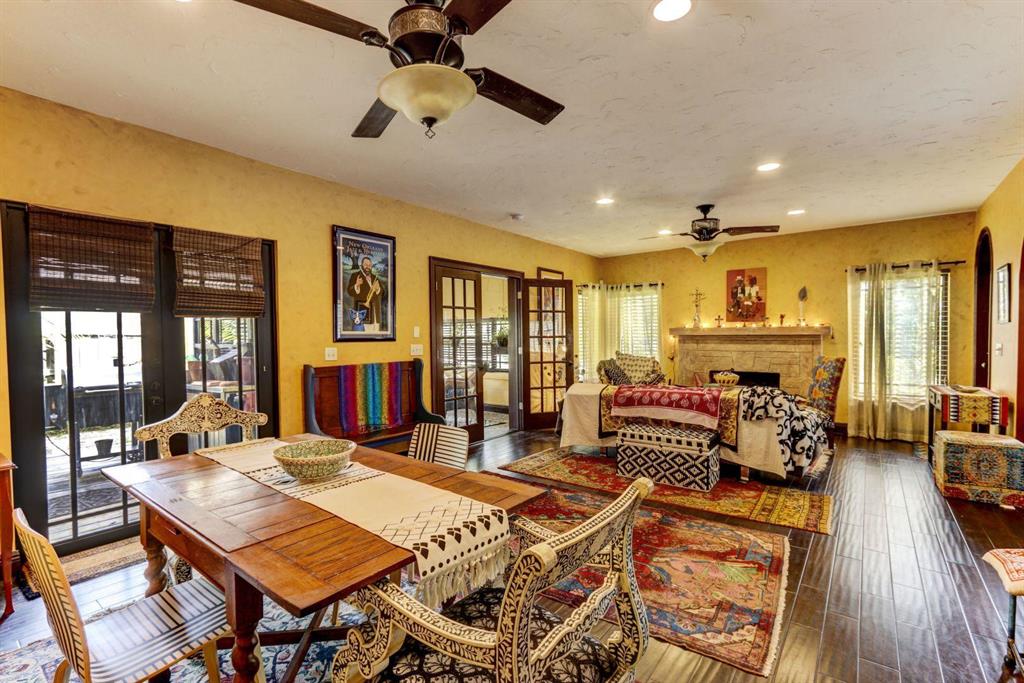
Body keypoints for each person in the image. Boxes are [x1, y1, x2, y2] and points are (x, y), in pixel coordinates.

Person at [346, 255, 387, 332]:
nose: (368, 267)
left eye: (369, 265)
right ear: (361, 265)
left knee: (376, 335)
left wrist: (378, 289)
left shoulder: (375, 277)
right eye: (366, 264)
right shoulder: (355, 275)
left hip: (375, 313)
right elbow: (349, 291)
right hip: (363, 312)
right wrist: (357, 285)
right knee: (364, 335)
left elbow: (382, 292)